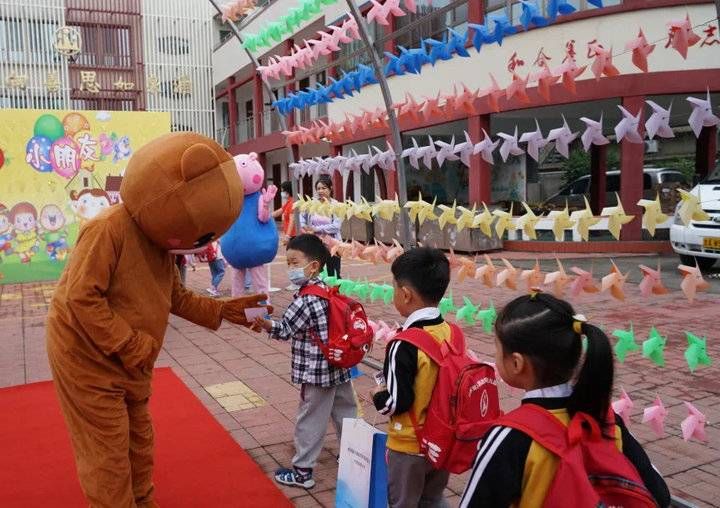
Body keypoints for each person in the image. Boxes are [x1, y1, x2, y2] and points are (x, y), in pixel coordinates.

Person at [459, 292, 670, 508]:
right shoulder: (605, 419)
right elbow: (659, 495)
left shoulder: (510, 437)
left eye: (497, 347)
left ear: (516, 364)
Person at [253, 234, 357, 489]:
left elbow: (285, 329)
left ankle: (302, 472)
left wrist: (266, 324)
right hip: (338, 365)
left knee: (310, 419)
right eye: (287, 263)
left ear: (313, 266)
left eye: (294, 262)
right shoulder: (326, 289)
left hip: (316, 371)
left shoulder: (306, 299)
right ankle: (355, 456)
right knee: (346, 412)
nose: (290, 269)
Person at [371, 247, 452, 508]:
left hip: (409, 445)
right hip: (442, 439)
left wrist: (378, 393)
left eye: (394, 288)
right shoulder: (450, 332)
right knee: (432, 499)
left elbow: (396, 403)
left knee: (403, 502)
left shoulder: (403, 344)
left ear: (405, 294)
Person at [300, 175, 342, 277]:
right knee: (317, 272)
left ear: (330, 188)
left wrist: (316, 229)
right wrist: (304, 227)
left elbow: (336, 226)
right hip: (315, 244)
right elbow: (301, 217)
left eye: (324, 188)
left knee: (333, 273)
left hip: (332, 244)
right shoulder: (311, 204)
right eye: (318, 189)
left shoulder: (336, 205)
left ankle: (334, 292)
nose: (320, 191)